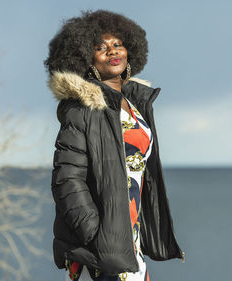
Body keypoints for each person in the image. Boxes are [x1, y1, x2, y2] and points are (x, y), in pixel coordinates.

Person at [43, 10, 185, 281]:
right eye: (101, 48)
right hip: (100, 253)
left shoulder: (135, 106)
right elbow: (67, 180)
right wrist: (96, 235)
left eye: (117, 44)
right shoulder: (82, 110)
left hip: (130, 245)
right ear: (86, 58)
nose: (112, 51)